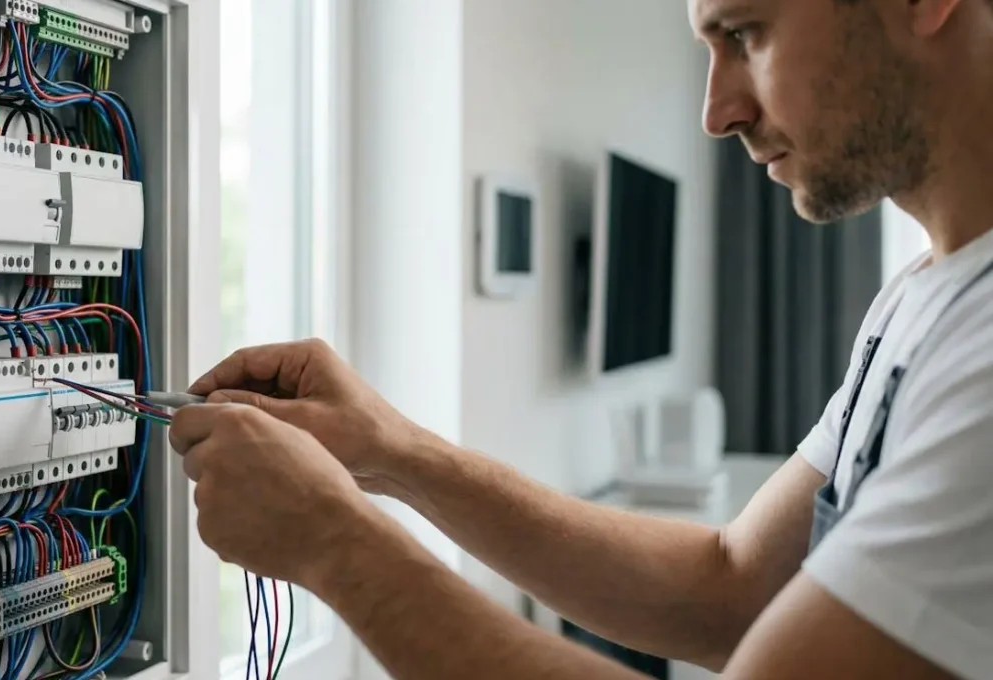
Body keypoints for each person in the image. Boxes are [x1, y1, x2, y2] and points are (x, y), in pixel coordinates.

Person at [169, 0, 993, 677]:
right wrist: (393, 452)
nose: (718, 113)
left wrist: (334, 542)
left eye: (746, 34)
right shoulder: (923, 297)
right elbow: (731, 589)